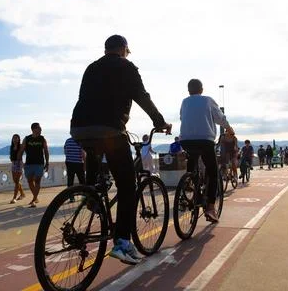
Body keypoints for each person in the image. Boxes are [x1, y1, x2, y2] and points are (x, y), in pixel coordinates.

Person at [70, 34, 171, 265]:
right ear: (124, 49)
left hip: (79, 128)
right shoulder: (127, 67)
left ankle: (92, 196)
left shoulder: (91, 67)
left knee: (97, 178)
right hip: (110, 130)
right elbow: (142, 97)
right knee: (127, 186)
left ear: (106, 49)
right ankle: (123, 243)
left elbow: (84, 98)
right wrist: (160, 121)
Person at [180, 78, 233, 223]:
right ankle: (210, 207)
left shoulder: (184, 102)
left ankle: (190, 183)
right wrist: (229, 128)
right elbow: (220, 118)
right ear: (201, 89)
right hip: (205, 140)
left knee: (192, 164)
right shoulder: (208, 100)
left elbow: (181, 118)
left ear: (189, 90)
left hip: (185, 140)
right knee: (213, 171)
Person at [18, 123, 50, 208]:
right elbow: (21, 151)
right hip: (29, 164)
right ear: (33, 129)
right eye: (39, 128)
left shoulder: (42, 139)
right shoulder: (27, 139)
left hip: (39, 163)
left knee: (37, 181)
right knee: (29, 181)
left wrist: (47, 162)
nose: (41, 130)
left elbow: (46, 151)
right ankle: (35, 198)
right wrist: (21, 162)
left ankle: (34, 199)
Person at [64, 137, 86, 202]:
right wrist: (85, 165)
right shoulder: (80, 141)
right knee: (82, 181)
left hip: (69, 163)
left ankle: (71, 198)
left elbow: (65, 151)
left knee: (70, 181)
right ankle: (85, 197)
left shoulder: (67, 141)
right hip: (79, 163)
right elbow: (83, 154)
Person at [9, 134, 25, 204]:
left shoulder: (21, 146)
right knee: (15, 181)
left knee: (17, 181)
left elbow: (24, 153)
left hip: (19, 164)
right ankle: (22, 194)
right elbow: (11, 155)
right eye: (14, 138)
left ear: (19, 139)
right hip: (13, 164)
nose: (15, 139)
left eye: (16, 138)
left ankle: (14, 198)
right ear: (12, 139)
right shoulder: (11, 147)